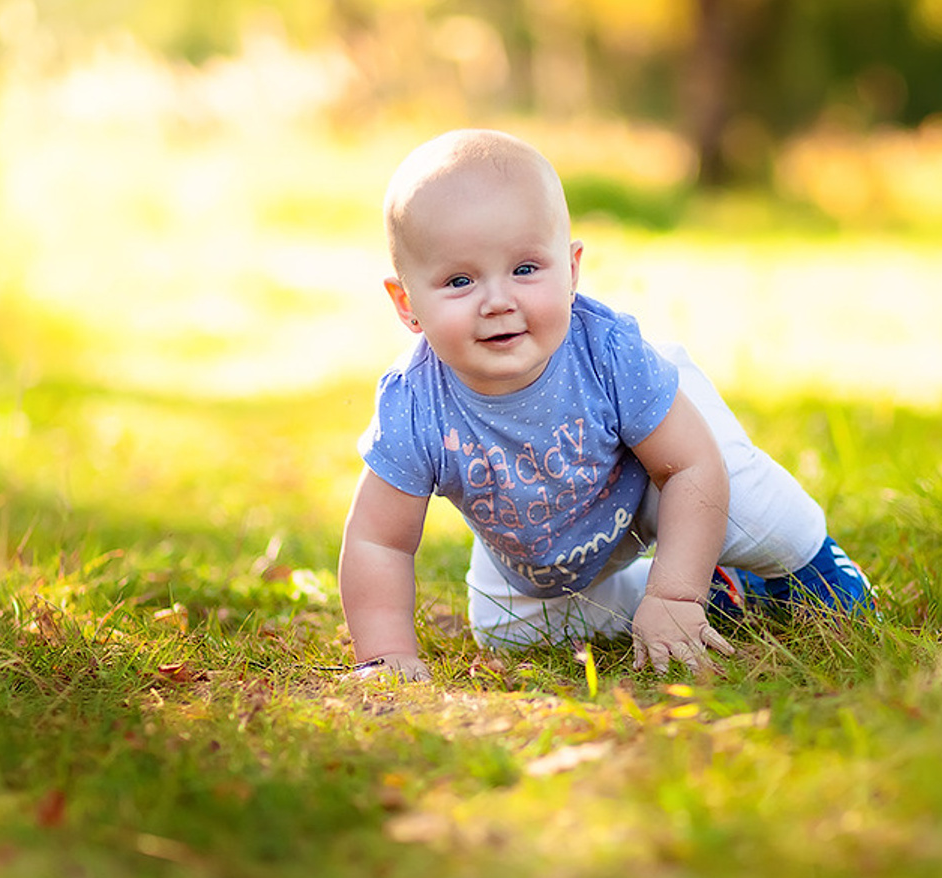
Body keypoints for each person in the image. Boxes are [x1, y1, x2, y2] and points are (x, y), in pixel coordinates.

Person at [338, 128, 871, 681]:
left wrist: (676, 595)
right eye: (459, 280)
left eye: (525, 269)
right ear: (406, 303)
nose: (498, 301)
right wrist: (387, 654)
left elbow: (691, 466)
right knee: (508, 629)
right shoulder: (415, 405)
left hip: (659, 465)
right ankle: (721, 589)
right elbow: (379, 540)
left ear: (571, 270)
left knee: (751, 510)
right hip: (550, 541)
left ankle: (817, 567)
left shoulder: (607, 354)